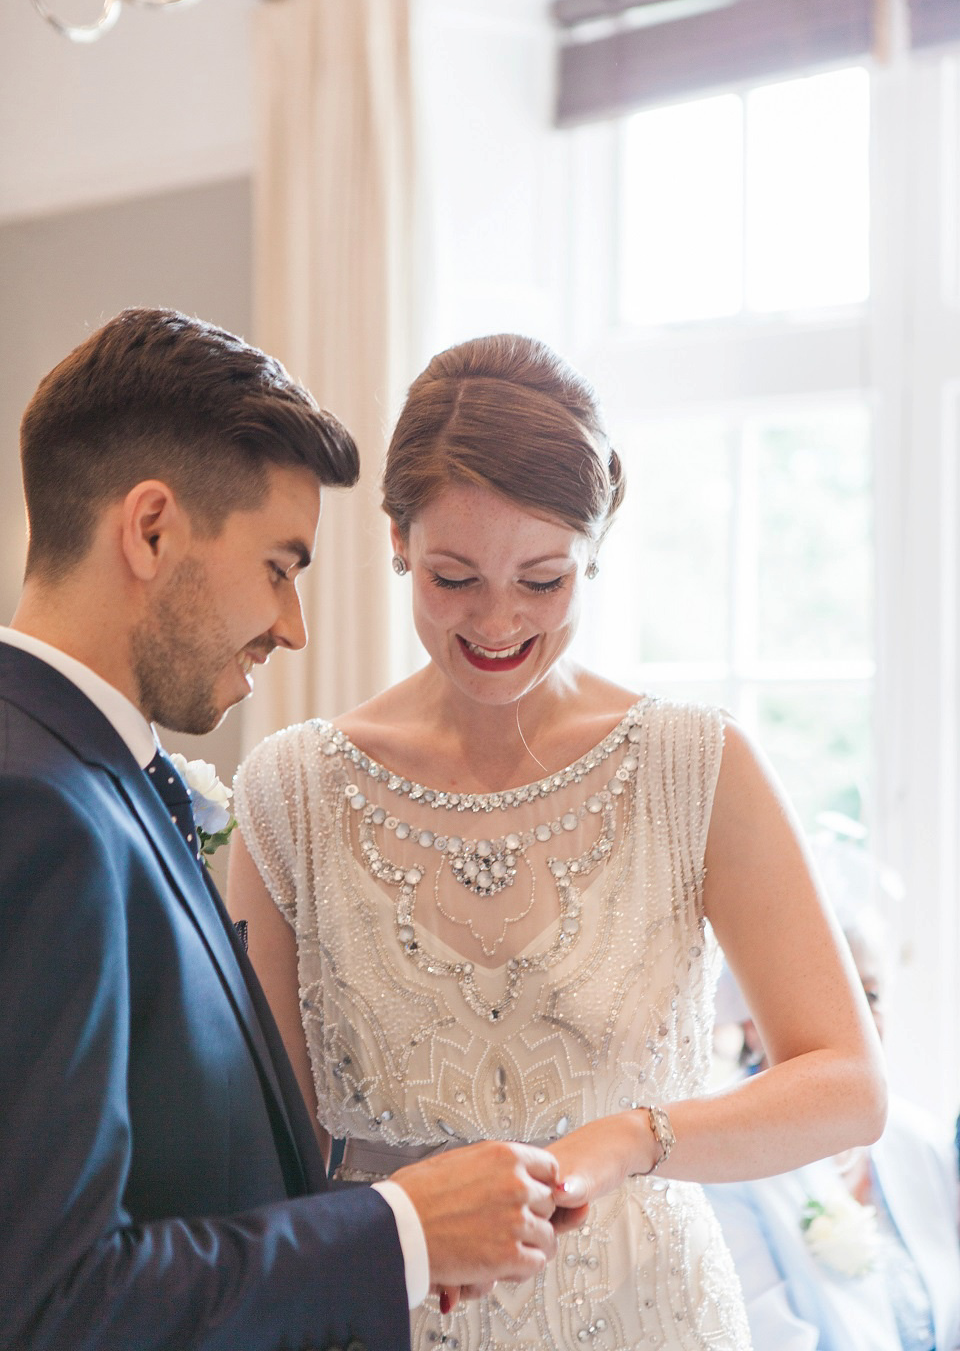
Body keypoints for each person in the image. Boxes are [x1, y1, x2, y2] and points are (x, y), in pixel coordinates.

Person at [229, 332, 888, 1351]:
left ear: (595, 549)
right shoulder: (295, 790)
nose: (497, 622)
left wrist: (631, 1138)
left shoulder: (694, 767)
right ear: (398, 537)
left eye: (543, 581)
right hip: (394, 1311)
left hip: (649, 1313)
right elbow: (270, 1148)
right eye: (454, 578)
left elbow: (848, 1084)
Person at [0, 309, 572, 1351]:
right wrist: (402, 1229)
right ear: (153, 529)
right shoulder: (38, 810)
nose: (294, 625)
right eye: (280, 565)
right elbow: (54, 1302)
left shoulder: (92, 775)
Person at [706, 915, 960, 1350]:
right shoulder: (721, 1158)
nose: (857, 1020)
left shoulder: (923, 1141)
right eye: (830, 996)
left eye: (871, 995)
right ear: (754, 1019)